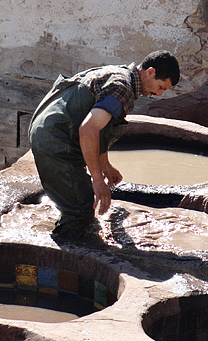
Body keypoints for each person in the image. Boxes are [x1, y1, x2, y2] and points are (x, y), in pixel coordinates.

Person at [29, 50, 180, 239]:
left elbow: (100, 130)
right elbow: (88, 129)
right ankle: (63, 259)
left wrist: (105, 166)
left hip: (49, 129)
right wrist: (98, 180)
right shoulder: (122, 88)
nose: (158, 94)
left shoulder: (118, 74)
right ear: (150, 72)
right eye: (160, 87)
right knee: (80, 211)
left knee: (78, 201)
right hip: (55, 141)